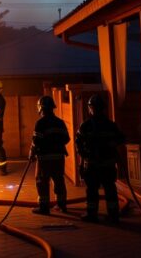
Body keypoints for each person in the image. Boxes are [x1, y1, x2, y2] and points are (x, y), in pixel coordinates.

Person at [75, 94, 125, 223]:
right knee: (110, 190)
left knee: (92, 190)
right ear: (103, 108)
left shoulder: (85, 126)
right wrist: (110, 144)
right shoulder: (110, 125)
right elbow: (121, 139)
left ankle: (92, 214)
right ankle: (113, 215)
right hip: (107, 164)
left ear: (90, 108)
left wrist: (84, 158)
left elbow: (78, 144)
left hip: (92, 165)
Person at [29, 95, 70, 215]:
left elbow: (36, 141)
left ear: (40, 108)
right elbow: (66, 139)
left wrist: (32, 153)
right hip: (58, 157)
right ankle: (62, 205)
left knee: (42, 181)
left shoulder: (40, 123)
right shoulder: (60, 122)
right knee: (59, 180)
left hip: (44, 158)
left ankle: (44, 207)